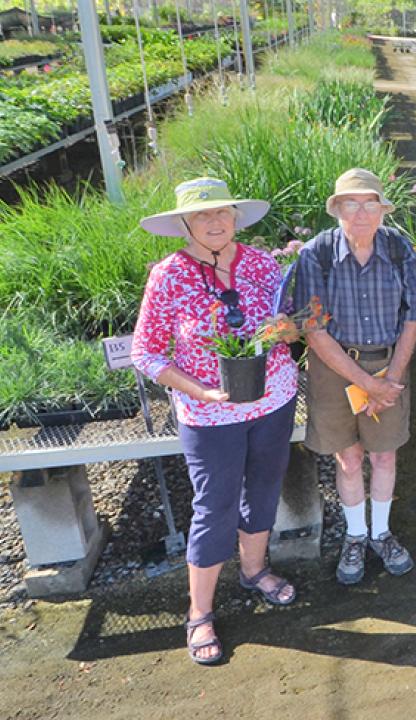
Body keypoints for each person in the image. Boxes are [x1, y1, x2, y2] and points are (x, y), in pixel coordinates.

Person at [133, 178, 298, 665]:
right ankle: (199, 612)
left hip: (274, 401)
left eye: (222, 212)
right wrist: (198, 389)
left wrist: (290, 330)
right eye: (202, 215)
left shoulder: (264, 264)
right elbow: (146, 351)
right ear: (185, 223)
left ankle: (253, 570)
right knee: (215, 504)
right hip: (208, 414)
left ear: (235, 217)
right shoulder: (169, 276)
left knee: (265, 487)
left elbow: (288, 323)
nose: (214, 222)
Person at [293, 168, 416, 585]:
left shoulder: (400, 250)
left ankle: (381, 532)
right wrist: (369, 385)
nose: (362, 212)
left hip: (390, 364)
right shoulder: (317, 254)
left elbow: (412, 320)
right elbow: (314, 330)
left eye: (371, 203)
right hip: (335, 370)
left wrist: (391, 379)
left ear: (382, 210)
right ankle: (355, 535)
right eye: (352, 203)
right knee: (348, 458)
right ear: (338, 210)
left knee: (384, 454)